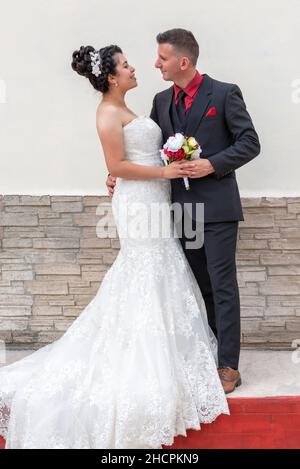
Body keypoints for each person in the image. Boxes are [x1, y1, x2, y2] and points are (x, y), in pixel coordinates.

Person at [0, 43, 229, 450]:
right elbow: (117, 166)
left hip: (156, 197)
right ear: (110, 76)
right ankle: (141, 357)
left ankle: (170, 353)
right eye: (125, 65)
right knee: (145, 266)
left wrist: (168, 164)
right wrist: (164, 169)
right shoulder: (106, 112)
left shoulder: (132, 107)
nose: (134, 67)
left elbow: (132, 157)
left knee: (164, 265)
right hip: (139, 202)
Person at [107, 29, 261, 393]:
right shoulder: (161, 101)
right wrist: (117, 175)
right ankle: (208, 351)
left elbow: (250, 142)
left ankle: (228, 366)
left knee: (223, 286)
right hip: (178, 209)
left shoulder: (223, 94)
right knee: (200, 285)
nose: (155, 63)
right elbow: (147, 149)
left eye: (161, 57)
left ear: (183, 61)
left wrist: (213, 164)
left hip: (219, 208)